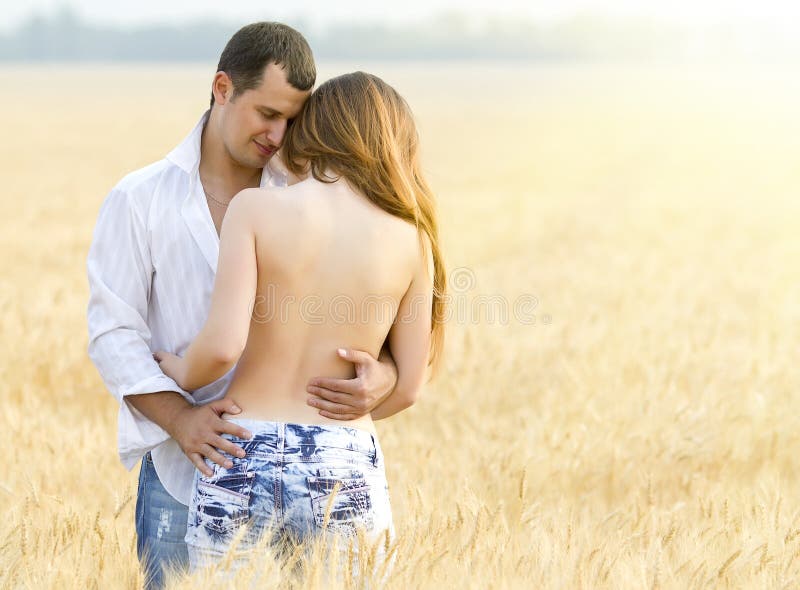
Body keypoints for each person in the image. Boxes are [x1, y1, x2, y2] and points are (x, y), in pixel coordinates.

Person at [86, 23, 400, 590]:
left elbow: (373, 309)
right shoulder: (140, 199)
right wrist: (181, 420)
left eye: (293, 120)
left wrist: (386, 374)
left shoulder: (309, 199)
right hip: (185, 477)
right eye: (267, 114)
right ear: (223, 87)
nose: (279, 136)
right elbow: (113, 332)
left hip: (315, 481)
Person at [153, 71, 446, 577]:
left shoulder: (256, 209)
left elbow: (222, 347)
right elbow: (410, 388)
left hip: (239, 449)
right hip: (341, 457)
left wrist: (177, 372)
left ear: (314, 131)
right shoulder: (411, 237)